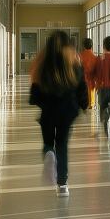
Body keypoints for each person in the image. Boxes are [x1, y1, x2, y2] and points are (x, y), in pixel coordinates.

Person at [29, 30, 87, 197]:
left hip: (48, 111)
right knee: (62, 145)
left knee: (49, 141)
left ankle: (49, 153)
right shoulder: (74, 62)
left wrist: (39, 102)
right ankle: (62, 185)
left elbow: (36, 90)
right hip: (68, 111)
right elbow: (82, 86)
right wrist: (84, 105)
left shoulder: (43, 64)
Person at [80, 38, 99, 110]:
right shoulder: (95, 57)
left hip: (82, 79)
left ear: (84, 46)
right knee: (91, 92)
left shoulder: (80, 56)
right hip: (91, 79)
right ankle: (91, 104)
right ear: (92, 46)